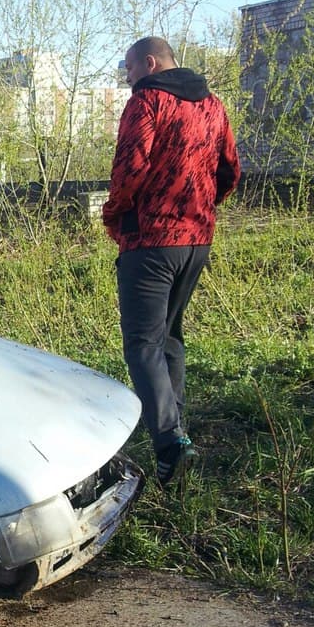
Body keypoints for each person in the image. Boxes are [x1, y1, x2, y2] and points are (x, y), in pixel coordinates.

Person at [102, 37, 240, 485]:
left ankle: (169, 444)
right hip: (197, 240)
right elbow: (230, 169)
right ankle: (177, 433)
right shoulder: (213, 105)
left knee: (142, 344)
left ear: (149, 63)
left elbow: (129, 169)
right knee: (170, 338)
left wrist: (114, 215)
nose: (126, 78)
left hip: (151, 242)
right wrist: (200, 205)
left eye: (128, 69)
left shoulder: (147, 102)